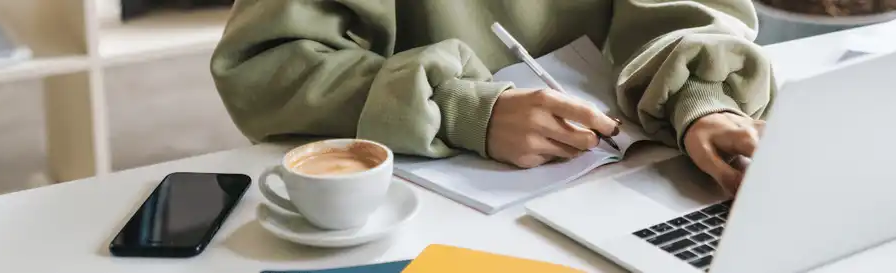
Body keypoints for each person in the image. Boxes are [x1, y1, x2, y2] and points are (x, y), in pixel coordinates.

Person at [210, 0, 774, 194]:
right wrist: (461, 108)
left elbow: (685, 10)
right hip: (434, 193)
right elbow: (269, 64)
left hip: (626, 173)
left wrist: (704, 99)